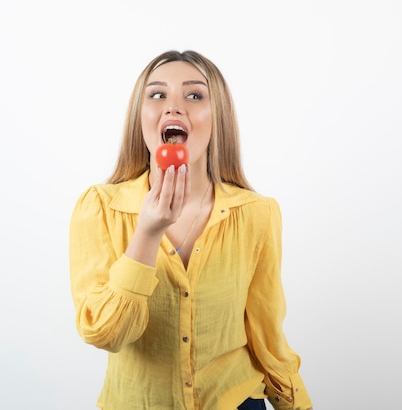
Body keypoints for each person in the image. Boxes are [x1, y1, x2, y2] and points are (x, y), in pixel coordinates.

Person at [69, 50, 314, 410]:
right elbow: (105, 333)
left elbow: (267, 335)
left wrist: (297, 403)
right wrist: (147, 234)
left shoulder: (257, 214)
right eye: (157, 95)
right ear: (141, 117)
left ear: (218, 119)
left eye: (194, 95)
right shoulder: (99, 208)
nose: (173, 107)